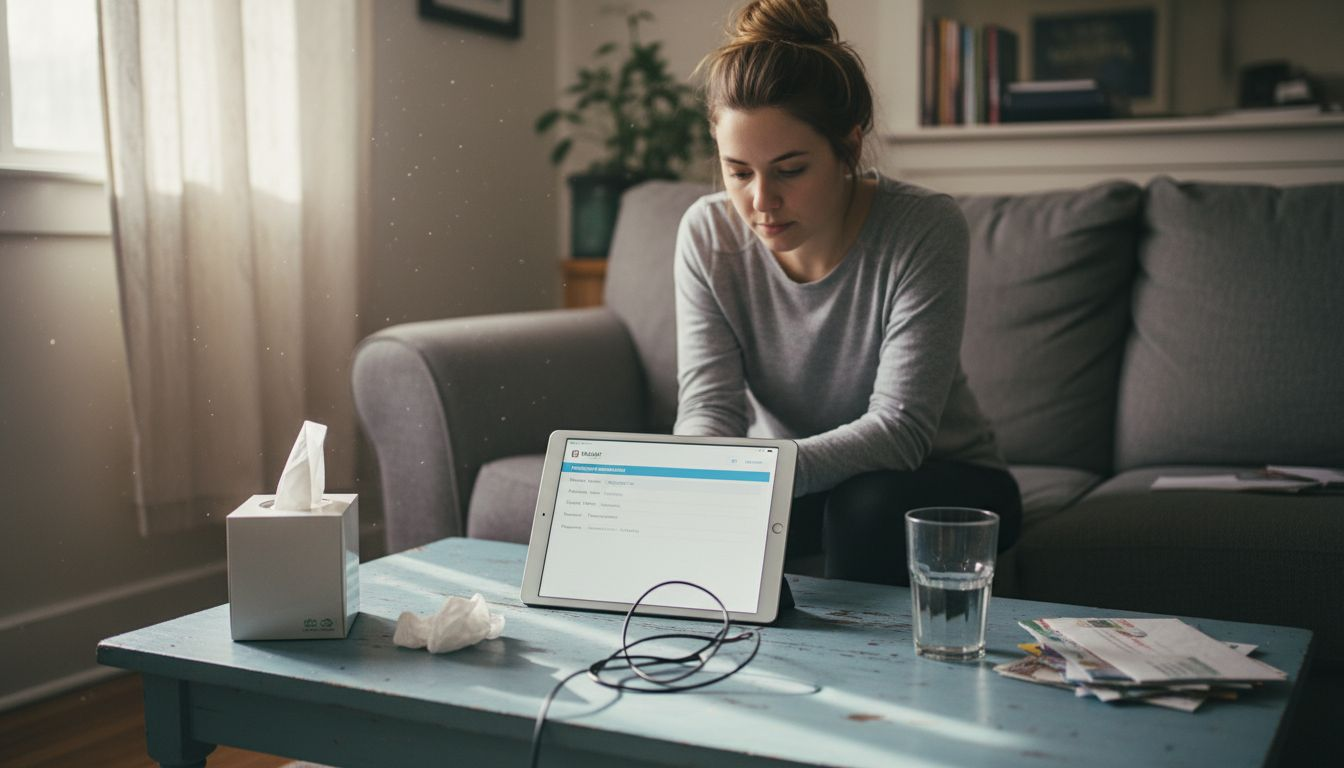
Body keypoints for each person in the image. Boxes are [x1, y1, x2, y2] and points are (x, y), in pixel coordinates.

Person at [674, 0, 1022, 586]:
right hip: (791, 474)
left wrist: (755, 476)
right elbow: (708, 410)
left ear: (849, 148)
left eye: (789, 170)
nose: (761, 201)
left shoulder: (924, 226)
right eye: (738, 171)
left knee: (864, 508)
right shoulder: (707, 233)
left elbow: (901, 429)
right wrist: (706, 482)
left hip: (939, 474)